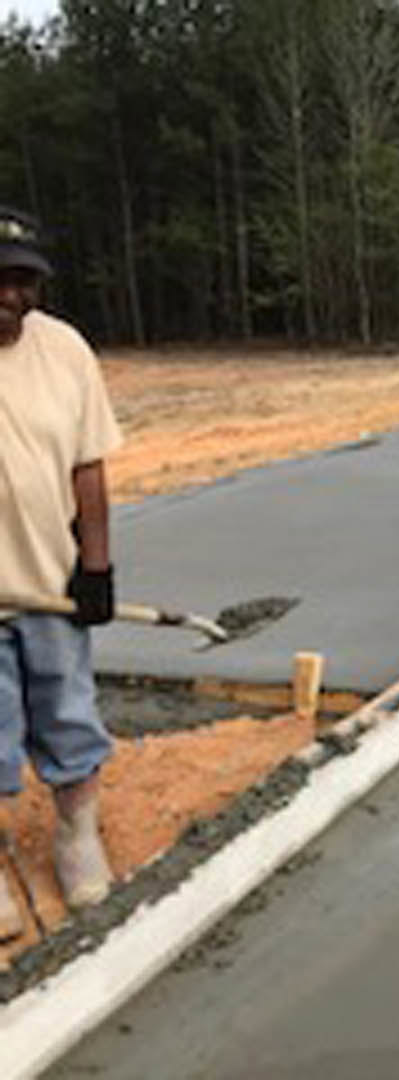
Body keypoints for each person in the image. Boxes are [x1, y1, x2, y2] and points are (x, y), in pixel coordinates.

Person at [0, 206, 123, 941]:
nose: (9, 296)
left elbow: (89, 466)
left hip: (49, 586)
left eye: (23, 281)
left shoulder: (65, 350)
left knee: (69, 715)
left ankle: (77, 838)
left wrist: (96, 567)